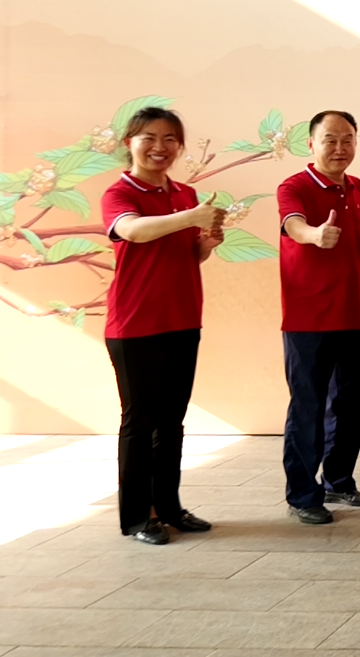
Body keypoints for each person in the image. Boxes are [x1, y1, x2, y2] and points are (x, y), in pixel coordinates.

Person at [101, 107, 223, 545]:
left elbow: (188, 254)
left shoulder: (185, 193)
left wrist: (206, 242)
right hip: (135, 325)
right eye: (149, 137)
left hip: (183, 318)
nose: (160, 147)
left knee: (171, 421)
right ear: (129, 143)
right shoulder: (119, 193)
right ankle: (138, 518)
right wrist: (190, 218)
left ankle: (169, 507)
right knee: (140, 424)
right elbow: (133, 231)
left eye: (170, 139)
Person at [276, 111, 360, 525]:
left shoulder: (358, 187)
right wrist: (315, 235)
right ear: (311, 143)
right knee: (308, 407)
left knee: (349, 405)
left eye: (347, 139)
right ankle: (303, 495)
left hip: (355, 314)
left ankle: (339, 480)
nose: (340, 148)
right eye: (330, 140)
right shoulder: (294, 186)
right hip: (309, 318)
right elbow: (294, 226)